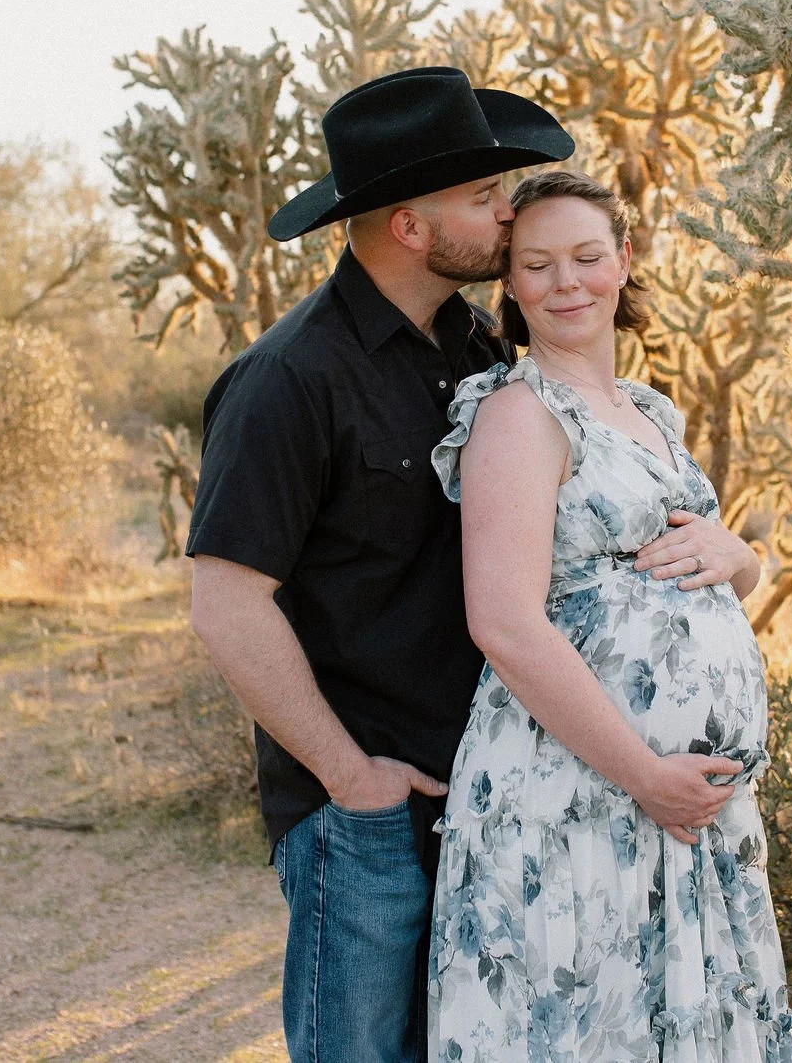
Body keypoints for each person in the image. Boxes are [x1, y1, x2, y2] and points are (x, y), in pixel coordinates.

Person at [184, 66, 578, 1063]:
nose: (506, 217)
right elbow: (226, 602)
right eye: (483, 198)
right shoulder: (285, 380)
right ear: (410, 226)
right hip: (361, 815)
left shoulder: (481, 350)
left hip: (486, 797)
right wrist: (347, 777)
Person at [427, 170, 792, 1061]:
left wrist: (742, 557)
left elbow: (691, 572)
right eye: (539, 264)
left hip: (682, 813)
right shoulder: (519, 415)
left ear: (624, 261)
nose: (567, 283)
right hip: (581, 800)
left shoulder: (649, 413)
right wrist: (645, 773)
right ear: (510, 285)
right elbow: (506, 623)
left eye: (588, 257)